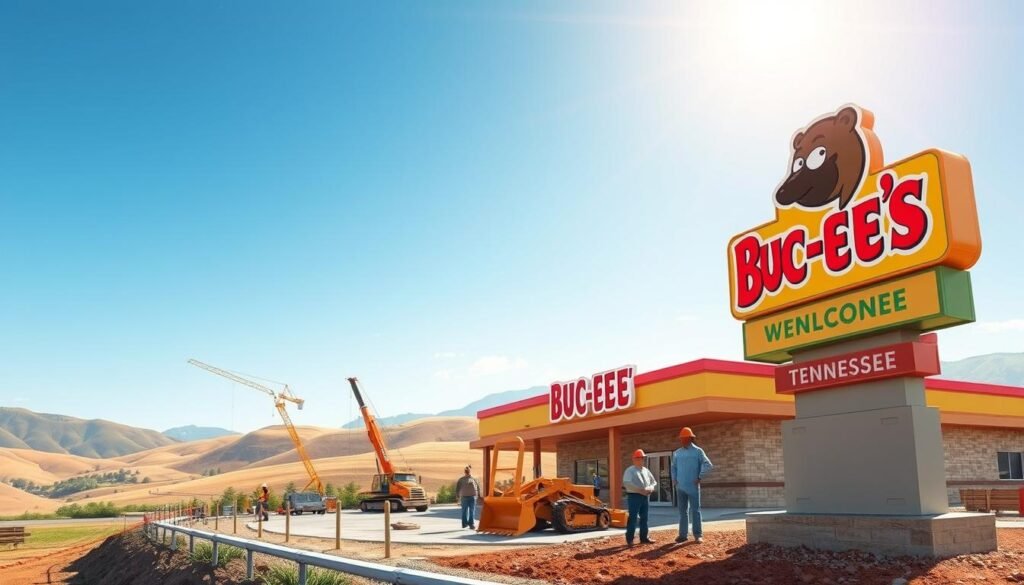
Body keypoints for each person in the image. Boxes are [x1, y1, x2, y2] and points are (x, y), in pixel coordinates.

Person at [671, 427, 713, 544]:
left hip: (693, 487)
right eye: (681, 438)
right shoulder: (677, 453)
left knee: (695, 511)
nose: (683, 440)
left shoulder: (698, 451)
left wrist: (700, 476)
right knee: (682, 512)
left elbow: (708, 464)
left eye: (685, 438)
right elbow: (673, 467)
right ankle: (682, 535)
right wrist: (674, 479)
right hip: (680, 487)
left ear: (690, 438)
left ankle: (698, 535)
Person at [622, 449, 657, 546]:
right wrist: (639, 490)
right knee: (633, 518)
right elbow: (627, 483)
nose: (641, 460)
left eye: (642, 458)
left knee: (644, 518)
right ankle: (630, 539)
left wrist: (650, 488)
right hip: (634, 496)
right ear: (634, 459)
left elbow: (654, 482)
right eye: (638, 458)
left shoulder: (646, 470)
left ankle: (644, 537)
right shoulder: (630, 470)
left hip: (644, 497)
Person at [455, 465, 481, 529]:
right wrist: (457, 496)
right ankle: (464, 524)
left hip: (472, 497)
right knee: (464, 511)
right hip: (464, 497)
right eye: (466, 470)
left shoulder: (474, 479)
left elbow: (477, 487)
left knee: (472, 511)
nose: (467, 471)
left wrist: (479, 495)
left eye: (468, 470)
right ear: (465, 471)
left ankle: (471, 524)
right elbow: (457, 488)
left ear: (470, 471)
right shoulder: (461, 479)